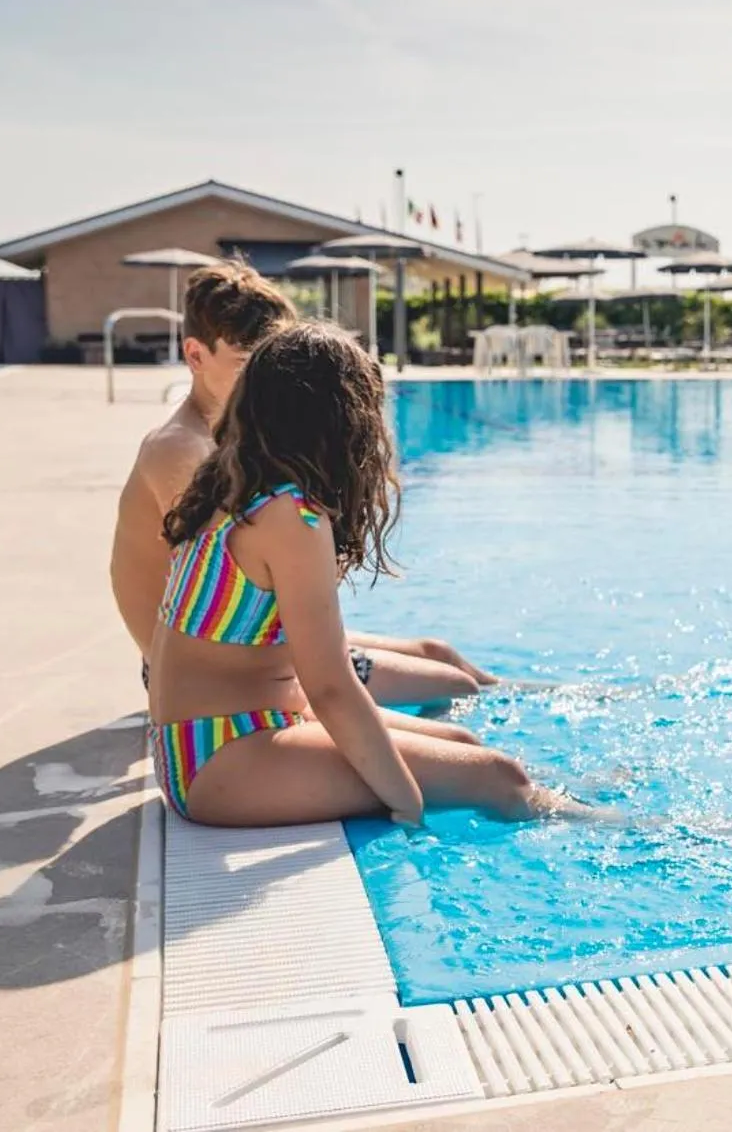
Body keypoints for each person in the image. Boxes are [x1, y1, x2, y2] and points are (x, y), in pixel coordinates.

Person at [148, 321, 592, 826]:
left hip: (219, 734)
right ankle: (628, 828)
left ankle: (563, 800)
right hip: (215, 758)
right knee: (495, 776)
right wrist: (404, 797)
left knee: (462, 743)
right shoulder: (290, 515)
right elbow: (331, 685)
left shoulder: (230, 482)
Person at [111, 262, 492, 707]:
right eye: (247, 364)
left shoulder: (239, 439)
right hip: (215, 676)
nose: (266, 379)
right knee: (447, 683)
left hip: (253, 645)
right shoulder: (181, 450)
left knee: (437, 654)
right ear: (195, 355)